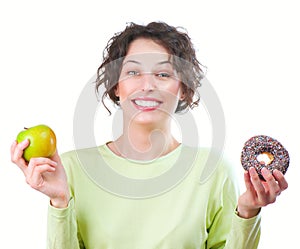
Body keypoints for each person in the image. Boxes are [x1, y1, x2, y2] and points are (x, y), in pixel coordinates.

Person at [11, 21, 288, 249]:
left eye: (163, 74)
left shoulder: (213, 170)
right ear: (116, 86)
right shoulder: (70, 169)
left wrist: (248, 213)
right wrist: (60, 201)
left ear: (182, 89)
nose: (147, 85)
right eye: (133, 72)